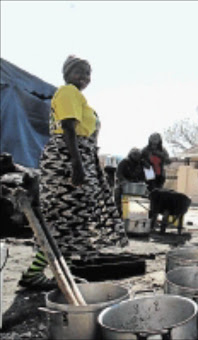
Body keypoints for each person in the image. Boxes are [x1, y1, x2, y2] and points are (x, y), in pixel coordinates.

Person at [18, 55, 129, 290]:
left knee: (74, 221)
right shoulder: (68, 91)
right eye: (79, 71)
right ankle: (34, 273)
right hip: (66, 161)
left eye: (88, 73)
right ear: (67, 73)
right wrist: (77, 166)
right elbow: (69, 128)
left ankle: (64, 275)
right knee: (62, 220)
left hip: (79, 157)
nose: (84, 77)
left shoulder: (79, 98)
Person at [114, 147, 146, 215]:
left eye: (138, 155)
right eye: (135, 154)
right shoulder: (124, 162)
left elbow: (143, 176)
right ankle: (118, 211)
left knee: (148, 194)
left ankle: (144, 213)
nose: (136, 157)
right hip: (123, 183)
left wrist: (141, 181)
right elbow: (118, 174)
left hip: (136, 184)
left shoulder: (141, 164)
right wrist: (124, 181)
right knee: (117, 192)